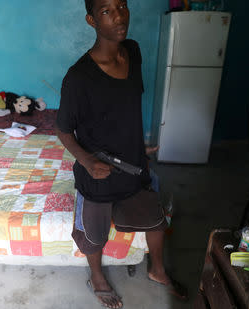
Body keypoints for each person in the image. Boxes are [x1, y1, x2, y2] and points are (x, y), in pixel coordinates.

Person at [56, 0, 188, 308]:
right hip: (97, 170)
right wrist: (87, 161)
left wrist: (136, 146)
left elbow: (124, 111)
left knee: (156, 220)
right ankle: (98, 277)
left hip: (131, 162)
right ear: (91, 20)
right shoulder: (78, 78)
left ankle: (157, 270)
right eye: (106, 10)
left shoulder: (134, 51)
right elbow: (63, 130)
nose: (118, 16)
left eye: (122, 5)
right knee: (94, 234)